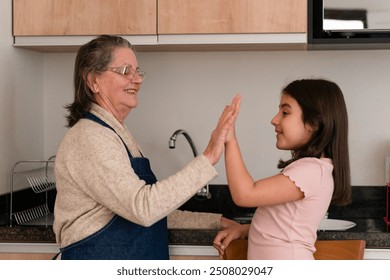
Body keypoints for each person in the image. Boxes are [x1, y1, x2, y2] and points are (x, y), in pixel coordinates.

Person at [53, 35, 239, 260]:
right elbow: (143, 207)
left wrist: (214, 221)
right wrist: (209, 157)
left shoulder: (116, 134)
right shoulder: (91, 138)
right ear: (93, 80)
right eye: (125, 71)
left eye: (138, 71)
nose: (137, 79)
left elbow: (152, 210)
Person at [213, 79, 352, 260]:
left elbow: (245, 194)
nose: (274, 119)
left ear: (314, 123)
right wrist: (245, 230)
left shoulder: (312, 171)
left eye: (285, 112)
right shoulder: (311, 169)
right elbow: (283, 227)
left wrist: (229, 140)